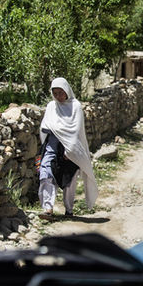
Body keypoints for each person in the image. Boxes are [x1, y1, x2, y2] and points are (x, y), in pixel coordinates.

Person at [38, 78, 98, 220]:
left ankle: (69, 210)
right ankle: (48, 208)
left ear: (67, 91)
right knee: (45, 171)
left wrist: (69, 149)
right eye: (55, 93)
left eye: (61, 92)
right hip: (52, 144)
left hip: (71, 146)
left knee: (69, 178)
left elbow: (76, 129)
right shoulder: (51, 106)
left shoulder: (75, 106)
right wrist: (55, 129)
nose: (58, 96)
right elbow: (45, 125)